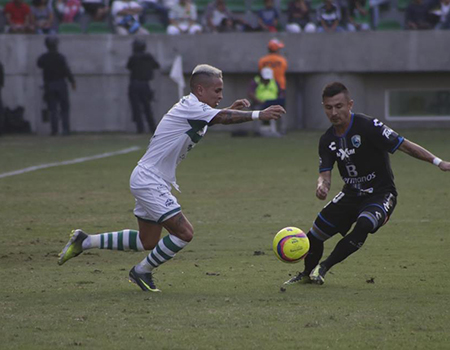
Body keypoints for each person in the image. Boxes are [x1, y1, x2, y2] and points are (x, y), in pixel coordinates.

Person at [58, 64, 285, 292]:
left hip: (151, 179)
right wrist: (259, 114)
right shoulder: (191, 107)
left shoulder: (194, 107)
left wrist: (227, 109)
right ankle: (141, 271)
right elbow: (223, 118)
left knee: (147, 242)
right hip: (149, 181)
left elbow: (215, 118)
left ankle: (85, 241)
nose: (221, 95)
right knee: (184, 233)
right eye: (217, 90)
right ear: (199, 89)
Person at [284, 82, 450, 286]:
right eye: (328, 107)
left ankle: (324, 267)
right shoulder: (327, 140)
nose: (334, 112)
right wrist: (322, 186)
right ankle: (306, 274)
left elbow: (404, 145)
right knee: (314, 236)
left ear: (350, 104)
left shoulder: (369, 126)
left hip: (381, 194)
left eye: (339, 106)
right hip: (351, 194)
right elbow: (324, 173)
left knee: (365, 223)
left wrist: (438, 162)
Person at [37, 36, 76, 136]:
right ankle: (66, 130)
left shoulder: (43, 58)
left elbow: (39, 64)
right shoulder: (60, 57)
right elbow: (66, 71)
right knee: (64, 109)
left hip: (49, 84)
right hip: (61, 84)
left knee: (53, 109)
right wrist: (72, 81)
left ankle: (54, 130)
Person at [127, 38, 160, 134]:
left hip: (135, 84)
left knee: (136, 107)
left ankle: (140, 129)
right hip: (145, 85)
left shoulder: (133, 58)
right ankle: (152, 127)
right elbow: (156, 65)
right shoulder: (149, 57)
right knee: (147, 107)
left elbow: (129, 66)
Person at [248, 67, 284, 136]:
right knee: (256, 112)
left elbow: (280, 93)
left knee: (280, 111)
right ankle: (257, 132)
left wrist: (280, 100)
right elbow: (250, 93)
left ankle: (280, 130)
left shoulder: (274, 82)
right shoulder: (256, 81)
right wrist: (258, 101)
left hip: (273, 103)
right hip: (259, 103)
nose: (267, 80)